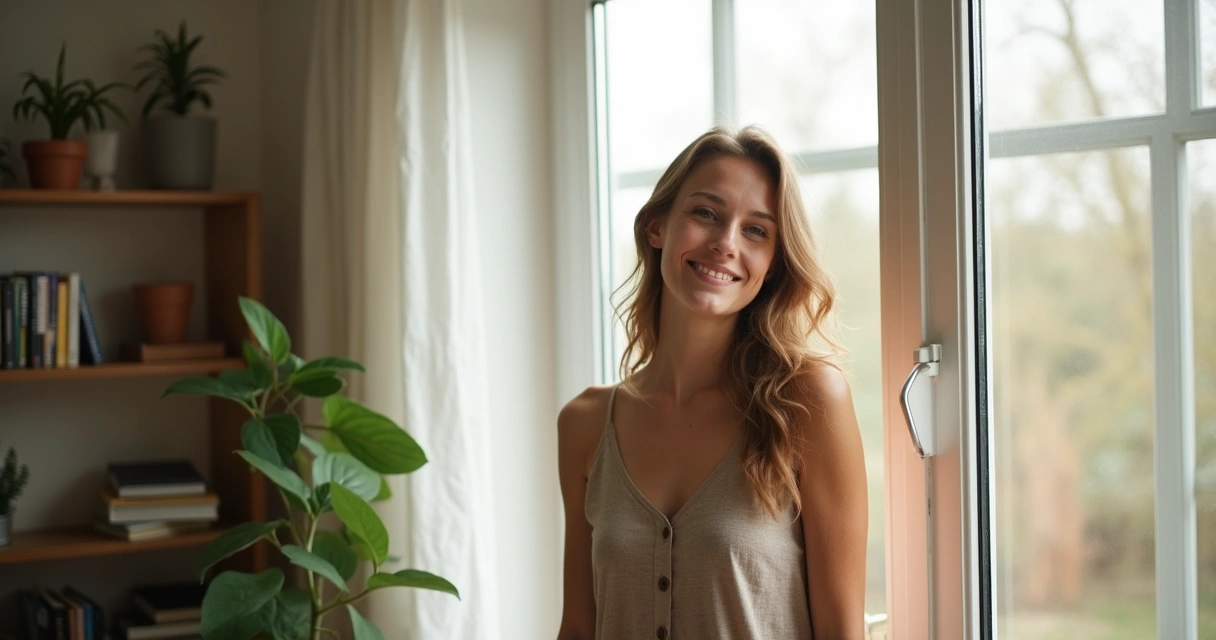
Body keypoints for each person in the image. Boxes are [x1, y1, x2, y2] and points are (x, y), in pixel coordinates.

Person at [555, 125, 869, 640]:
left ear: (770, 266)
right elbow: (577, 627)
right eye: (706, 213)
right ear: (658, 227)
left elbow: (842, 632)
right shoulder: (585, 424)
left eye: (756, 231)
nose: (725, 243)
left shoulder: (808, 401)